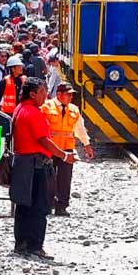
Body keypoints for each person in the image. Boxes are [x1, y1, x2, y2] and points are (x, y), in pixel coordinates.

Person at [9, 77, 75, 259]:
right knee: (39, 206)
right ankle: (35, 245)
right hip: (36, 165)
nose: (46, 95)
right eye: (43, 92)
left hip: (23, 162)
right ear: (32, 94)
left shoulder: (19, 109)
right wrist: (64, 155)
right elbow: (44, 141)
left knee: (23, 205)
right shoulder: (33, 113)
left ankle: (21, 243)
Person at [41, 82, 94, 216]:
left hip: (67, 149)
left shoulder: (74, 110)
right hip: (50, 148)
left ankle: (62, 206)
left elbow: (79, 128)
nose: (70, 97)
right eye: (68, 95)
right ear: (59, 95)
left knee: (65, 179)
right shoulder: (46, 107)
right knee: (48, 178)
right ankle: (47, 204)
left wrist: (86, 145)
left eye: (71, 95)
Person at [0, 55, 26, 136]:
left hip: (19, 113)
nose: (21, 68)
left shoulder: (23, 80)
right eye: (19, 66)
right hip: (7, 113)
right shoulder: (5, 80)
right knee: (7, 135)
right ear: (12, 68)